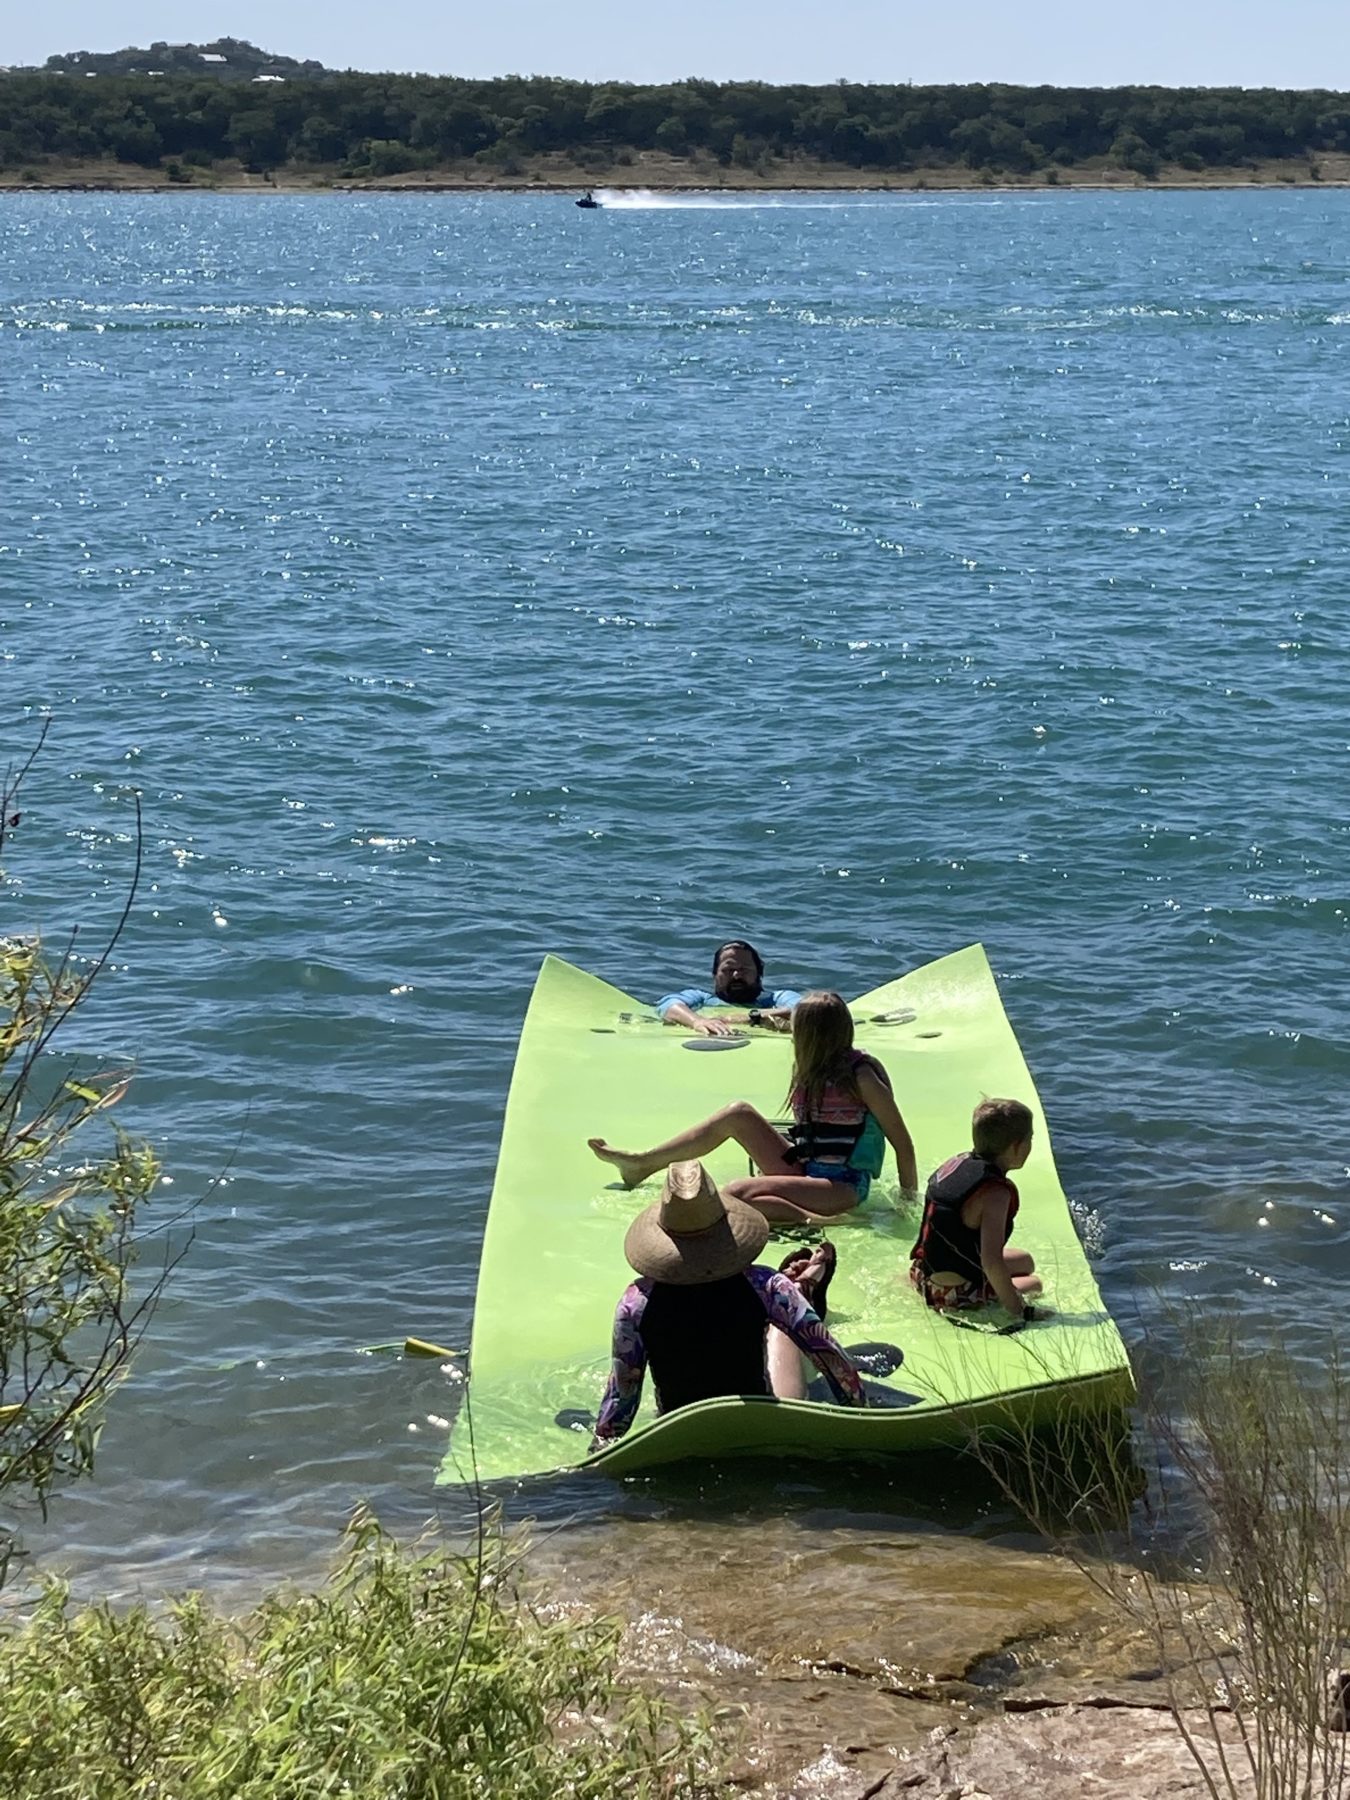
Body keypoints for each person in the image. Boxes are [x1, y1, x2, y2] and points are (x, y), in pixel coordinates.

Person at [591, 1159, 863, 1449]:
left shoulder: (635, 1302)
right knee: (784, 1337)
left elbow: (622, 1397)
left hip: (681, 1431)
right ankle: (804, 1290)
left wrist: (600, 1449)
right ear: (725, 1227)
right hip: (755, 1423)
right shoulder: (765, 1285)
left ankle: (805, 1289)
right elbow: (833, 1361)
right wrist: (862, 1415)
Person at [589, 990, 918, 1223]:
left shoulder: (859, 1076)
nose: (790, 1031)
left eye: (796, 1027)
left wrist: (907, 1206)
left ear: (812, 1035)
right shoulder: (811, 1068)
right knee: (738, 1114)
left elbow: (902, 1144)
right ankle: (642, 1163)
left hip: (841, 1187)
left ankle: (820, 1220)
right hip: (806, 1169)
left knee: (736, 1193)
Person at [909, 1098, 1044, 1321]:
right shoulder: (995, 1194)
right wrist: (1020, 1311)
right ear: (1016, 1147)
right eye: (1030, 1139)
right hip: (949, 1292)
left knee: (1025, 1260)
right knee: (1034, 1284)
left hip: (921, 1272)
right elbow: (991, 1263)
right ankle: (980, 1299)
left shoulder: (959, 1162)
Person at [656, 939, 801, 1038]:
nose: (736, 974)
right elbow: (668, 1005)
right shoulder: (701, 999)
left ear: (759, 973)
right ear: (714, 974)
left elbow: (807, 1011)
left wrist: (747, 1018)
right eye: (728, 969)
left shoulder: (776, 999)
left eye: (744, 969)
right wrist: (697, 1021)